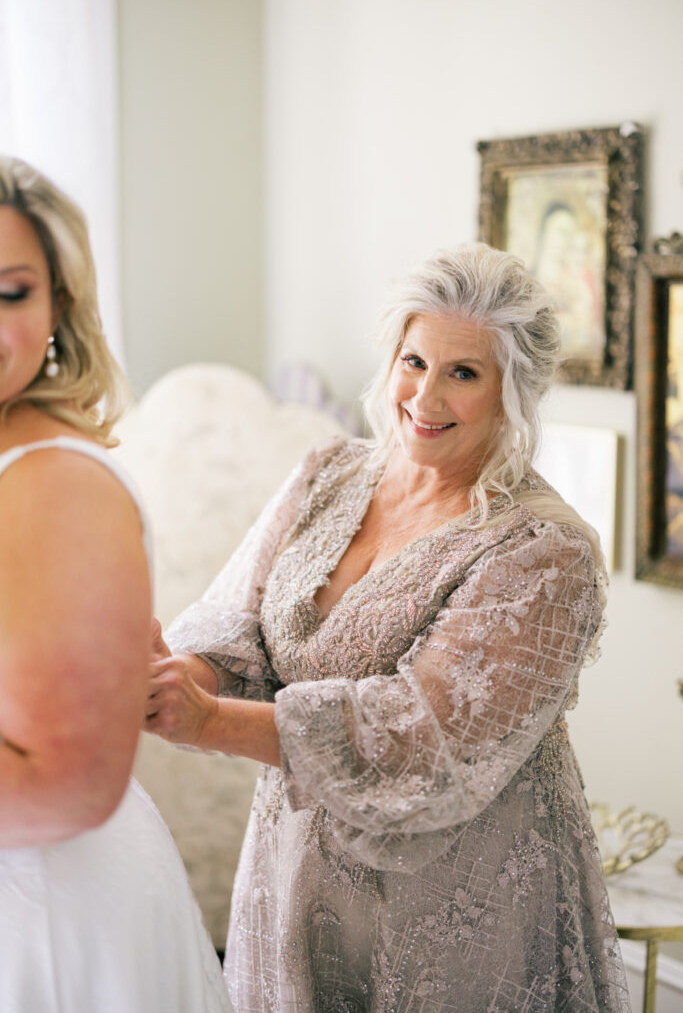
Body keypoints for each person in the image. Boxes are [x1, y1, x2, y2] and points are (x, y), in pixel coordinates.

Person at [146, 244, 632, 1012]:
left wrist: (206, 721)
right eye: (414, 361)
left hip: (451, 914)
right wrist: (179, 676)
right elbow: (236, 617)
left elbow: (421, 738)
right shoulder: (328, 472)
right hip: (293, 871)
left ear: (515, 392)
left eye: (462, 373)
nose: (425, 395)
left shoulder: (543, 552)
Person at [0, 156, 231, 1013]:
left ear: (58, 304)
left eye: (10, 291)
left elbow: (67, 786)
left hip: (41, 915)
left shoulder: (54, 481)